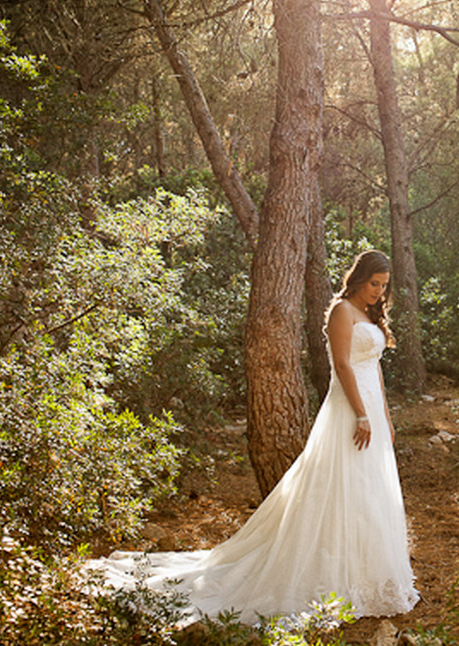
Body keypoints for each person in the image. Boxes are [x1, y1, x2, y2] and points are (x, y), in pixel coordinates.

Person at [91, 250, 419, 625]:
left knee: (370, 488)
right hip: (349, 408)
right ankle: (330, 574)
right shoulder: (342, 311)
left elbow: (373, 368)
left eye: (383, 286)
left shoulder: (370, 316)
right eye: (374, 283)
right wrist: (361, 413)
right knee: (344, 483)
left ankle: (367, 575)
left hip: (372, 408)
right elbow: (343, 364)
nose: (379, 291)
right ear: (359, 278)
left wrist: (384, 417)